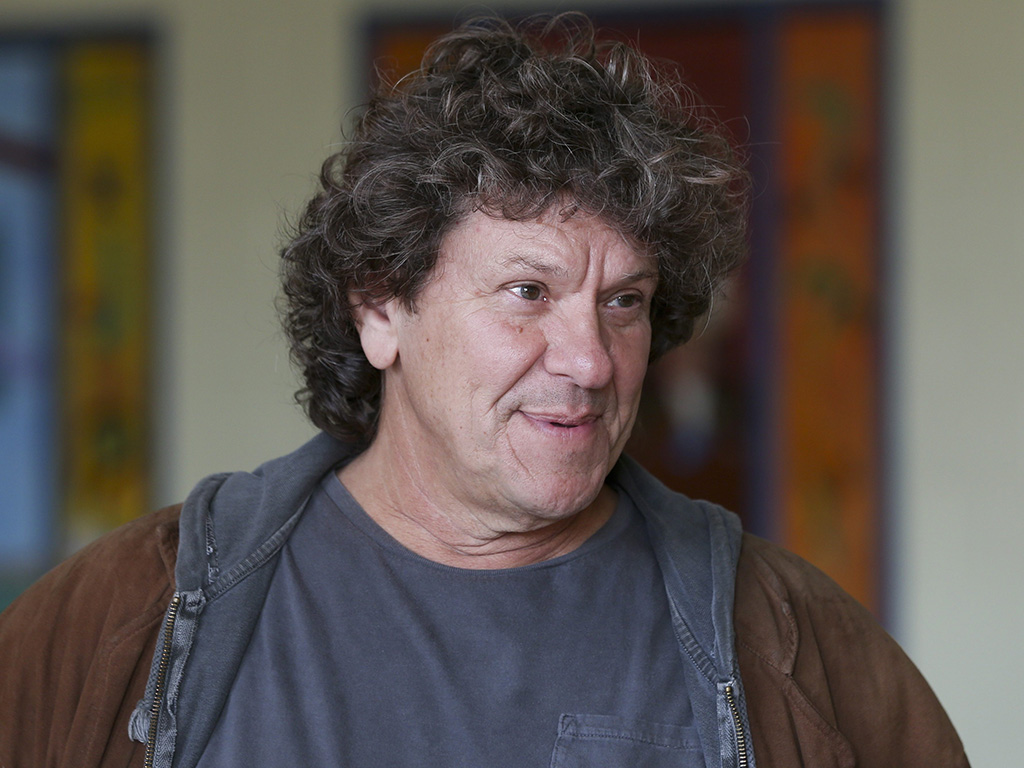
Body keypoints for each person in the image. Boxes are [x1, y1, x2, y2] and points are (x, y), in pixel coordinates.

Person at [0, 14, 967, 768]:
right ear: (382, 307)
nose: (590, 360)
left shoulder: (796, 650)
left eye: (623, 302)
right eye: (527, 292)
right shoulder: (133, 620)